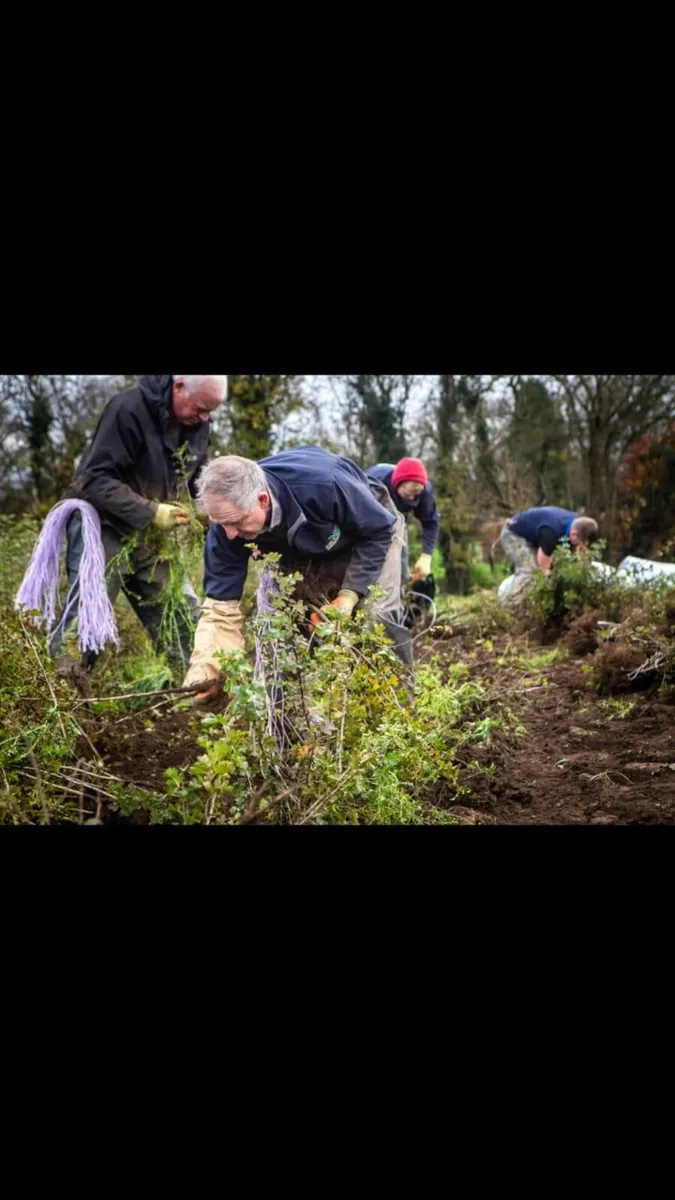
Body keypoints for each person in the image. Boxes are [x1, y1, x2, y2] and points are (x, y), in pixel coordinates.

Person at [182, 446, 413, 704]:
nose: (230, 535)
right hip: (303, 545)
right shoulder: (227, 525)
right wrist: (206, 671)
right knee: (284, 634)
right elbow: (221, 607)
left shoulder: (325, 484)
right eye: (221, 524)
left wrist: (348, 596)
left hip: (371, 527)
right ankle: (296, 727)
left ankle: (400, 711)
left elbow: (378, 531)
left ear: (262, 500)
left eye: (236, 522)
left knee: (376, 616)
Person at [49, 374, 226, 668]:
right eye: (200, 407)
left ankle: (202, 696)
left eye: (210, 411)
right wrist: (151, 512)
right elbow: (93, 479)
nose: (205, 416)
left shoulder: (198, 424)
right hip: (102, 527)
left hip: (153, 536)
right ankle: (62, 699)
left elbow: (200, 479)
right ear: (178, 386)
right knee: (87, 622)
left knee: (182, 616)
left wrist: (209, 508)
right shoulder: (127, 410)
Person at [498, 506, 599, 599]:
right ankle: (511, 604)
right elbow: (544, 568)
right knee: (530, 570)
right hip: (513, 534)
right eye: (579, 544)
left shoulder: (577, 523)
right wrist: (550, 585)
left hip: (536, 536)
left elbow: (573, 557)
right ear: (573, 534)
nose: (579, 548)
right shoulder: (550, 533)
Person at [367, 458, 440, 584]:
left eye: (417, 493)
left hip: (398, 517)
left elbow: (431, 523)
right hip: (370, 513)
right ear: (398, 484)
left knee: (401, 551)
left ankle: (402, 589)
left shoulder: (424, 491)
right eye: (408, 493)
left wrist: (426, 555)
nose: (412, 497)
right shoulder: (374, 482)